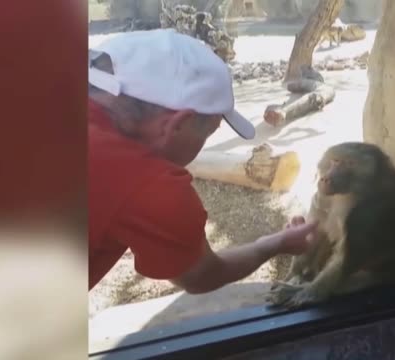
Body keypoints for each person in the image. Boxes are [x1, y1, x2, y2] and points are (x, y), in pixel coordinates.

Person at [88, 29, 317, 292]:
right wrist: (276, 243)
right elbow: (202, 275)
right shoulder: (147, 185)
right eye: (210, 131)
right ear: (178, 123)